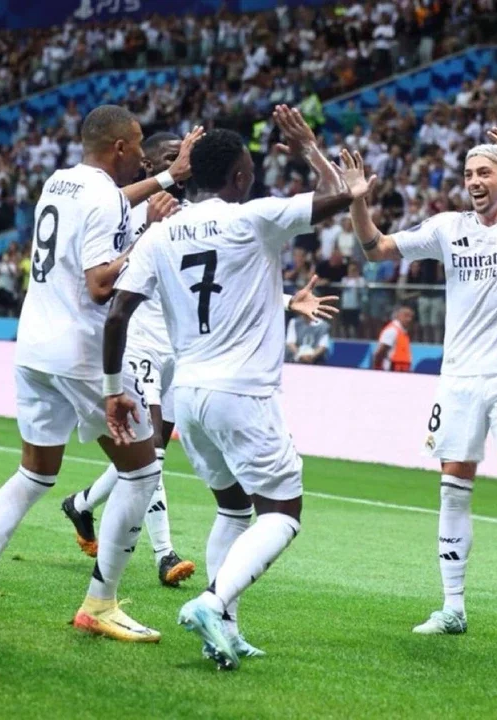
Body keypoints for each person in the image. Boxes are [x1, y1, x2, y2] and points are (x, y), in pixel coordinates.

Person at [100, 107, 370, 669]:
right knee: (284, 510)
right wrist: (311, 150)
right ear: (240, 177)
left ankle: (224, 626)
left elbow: (118, 311)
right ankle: (213, 600)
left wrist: (111, 386)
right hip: (243, 393)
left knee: (233, 508)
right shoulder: (254, 218)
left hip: (189, 397)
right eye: (249, 168)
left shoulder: (162, 232)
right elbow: (342, 196)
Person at [0, 105, 201, 642]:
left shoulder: (60, 182)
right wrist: (148, 236)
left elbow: (112, 204)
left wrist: (170, 177)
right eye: (139, 142)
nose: (142, 150)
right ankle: (100, 604)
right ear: (122, 147)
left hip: (33, 347)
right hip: (80, 353)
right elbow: (101, 285)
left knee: (33, 472)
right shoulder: (105, 196)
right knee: (143, 470)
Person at [346, 127, 497, 650]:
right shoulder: (448, 228)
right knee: (453, 490)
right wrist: (359, 203)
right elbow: (376, 248)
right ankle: (452, 607)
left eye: (484, 172)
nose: (473, 181)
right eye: (469, 173)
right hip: (459, 381)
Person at [61, 132, 196, 588]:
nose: (183, 165)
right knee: (150, 456)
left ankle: (81, 503)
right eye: (170, 159)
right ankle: (164, 553)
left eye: (186, 158)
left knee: (146, 455)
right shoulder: (128, 210)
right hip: (137, 344)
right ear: (148, 167)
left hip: (177, 351)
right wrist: (149, 227)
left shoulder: (195, 216)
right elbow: (106, 280)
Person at [374, 305, 414, 372]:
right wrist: (378, 369)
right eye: (406, 316)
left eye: (411, 317)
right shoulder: (392, 330)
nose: (409, 319)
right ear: (398, 316)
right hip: (392, 369)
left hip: (402, 369)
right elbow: (380, 352)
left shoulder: (403, 331)